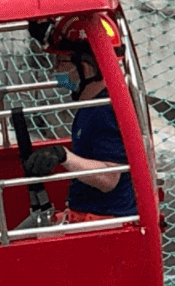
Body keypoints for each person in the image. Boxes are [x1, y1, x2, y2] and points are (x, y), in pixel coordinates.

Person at [23, 14, 137, 223]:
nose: (56, 70)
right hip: (87, 214)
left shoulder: (104, 110)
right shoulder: (91, 105)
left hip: (103, 222)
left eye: (61, 62)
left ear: (85, 67)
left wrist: (63, 156)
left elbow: (110, 178)